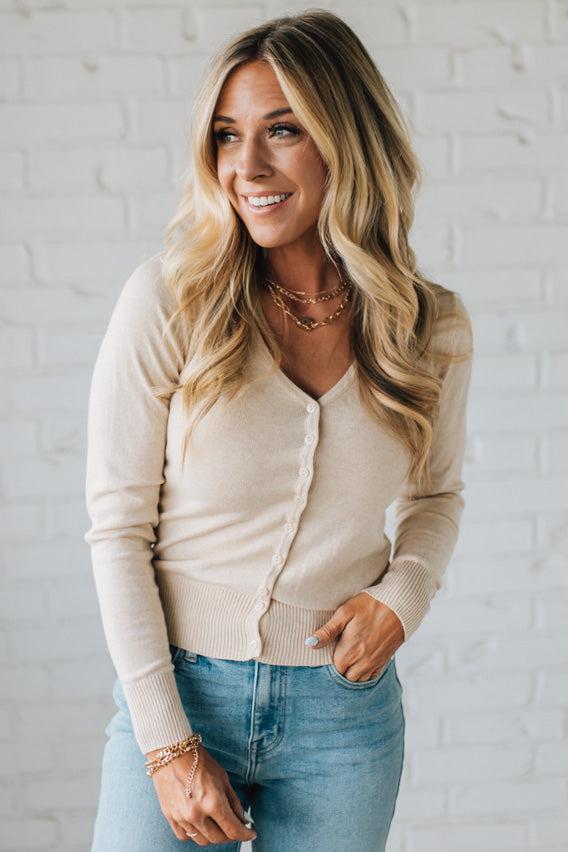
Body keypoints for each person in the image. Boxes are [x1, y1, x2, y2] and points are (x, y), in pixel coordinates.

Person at [84, 9, 474, 851]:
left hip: (344, 718)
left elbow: (436, 496)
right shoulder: (170, 301)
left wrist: (403, 597)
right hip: (181, 698)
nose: (247, 167)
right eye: (226, 136)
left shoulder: (428, 326)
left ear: (347, 138)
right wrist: (167, 744)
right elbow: (117, 532)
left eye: (283, 131)